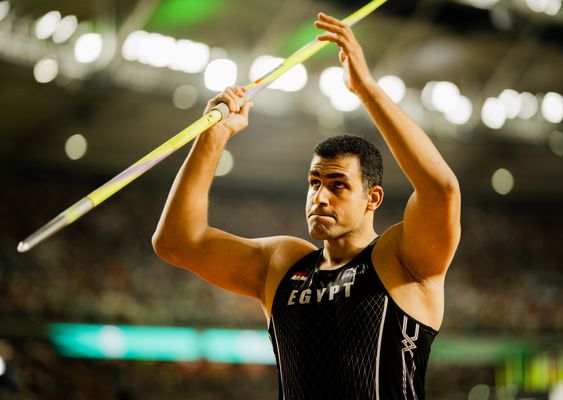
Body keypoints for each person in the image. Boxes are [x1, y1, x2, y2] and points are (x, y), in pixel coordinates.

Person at [152, 11, 461, 400]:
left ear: (373, 198)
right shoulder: (283, 264)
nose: (320, 196)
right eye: (314, 183)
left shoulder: (402, 259)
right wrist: (214, 137)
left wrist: (365, 89)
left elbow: (441, 189)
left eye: (338, 185)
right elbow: (178, 242)